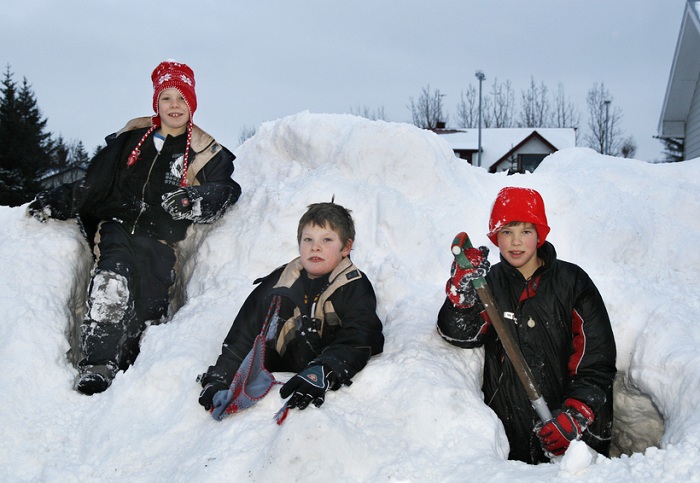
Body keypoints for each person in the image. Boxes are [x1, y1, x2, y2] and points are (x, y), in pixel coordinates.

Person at [26, 60, 241, 395]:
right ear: (156, 103)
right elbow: (95, 182)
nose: (174, 106)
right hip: (118, 225)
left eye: (181, 99)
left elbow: (226, 188)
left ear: (191, 105)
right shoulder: (133, 138)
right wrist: (61, 199)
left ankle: (132, 363)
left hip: (160, 238)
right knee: (113, 278)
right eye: (166, 98)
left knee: (150, 301)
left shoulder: (202, 148)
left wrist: (194, 199)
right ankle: (98, 363)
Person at [436, 187, 616, 464]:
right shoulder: (489, 284)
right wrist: (462, 297)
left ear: (540, 235)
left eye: (526, 231)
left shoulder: (572, 282)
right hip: (513, 429)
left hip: (575, 437)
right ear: (496, 237)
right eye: (507, 231)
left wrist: (576, 414)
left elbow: (596, 358)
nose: (515, 242)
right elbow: (460, 334)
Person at [198, 202, 384, 420]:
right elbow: (243, 337)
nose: (315, 247)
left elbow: (361, 336)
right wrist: (219, 378)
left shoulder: (353, 286)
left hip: (322, 398)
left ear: (346, 247)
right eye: (308, 240)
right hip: (275, 387)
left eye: (327, 240)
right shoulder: (277, 284)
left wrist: (324, 370)